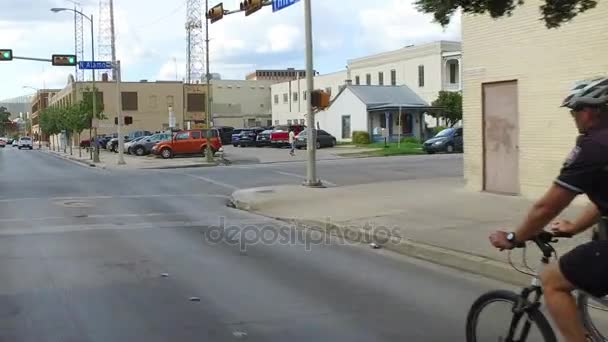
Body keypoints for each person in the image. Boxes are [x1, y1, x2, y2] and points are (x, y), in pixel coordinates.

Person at [489, 76, 608, 342]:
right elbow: (604, 201)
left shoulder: (595, 147)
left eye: (574, 110)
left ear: (590, 111)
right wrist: (574, 227)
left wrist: (513, 238)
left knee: (552, 280)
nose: (573, 117)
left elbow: (547, 207)